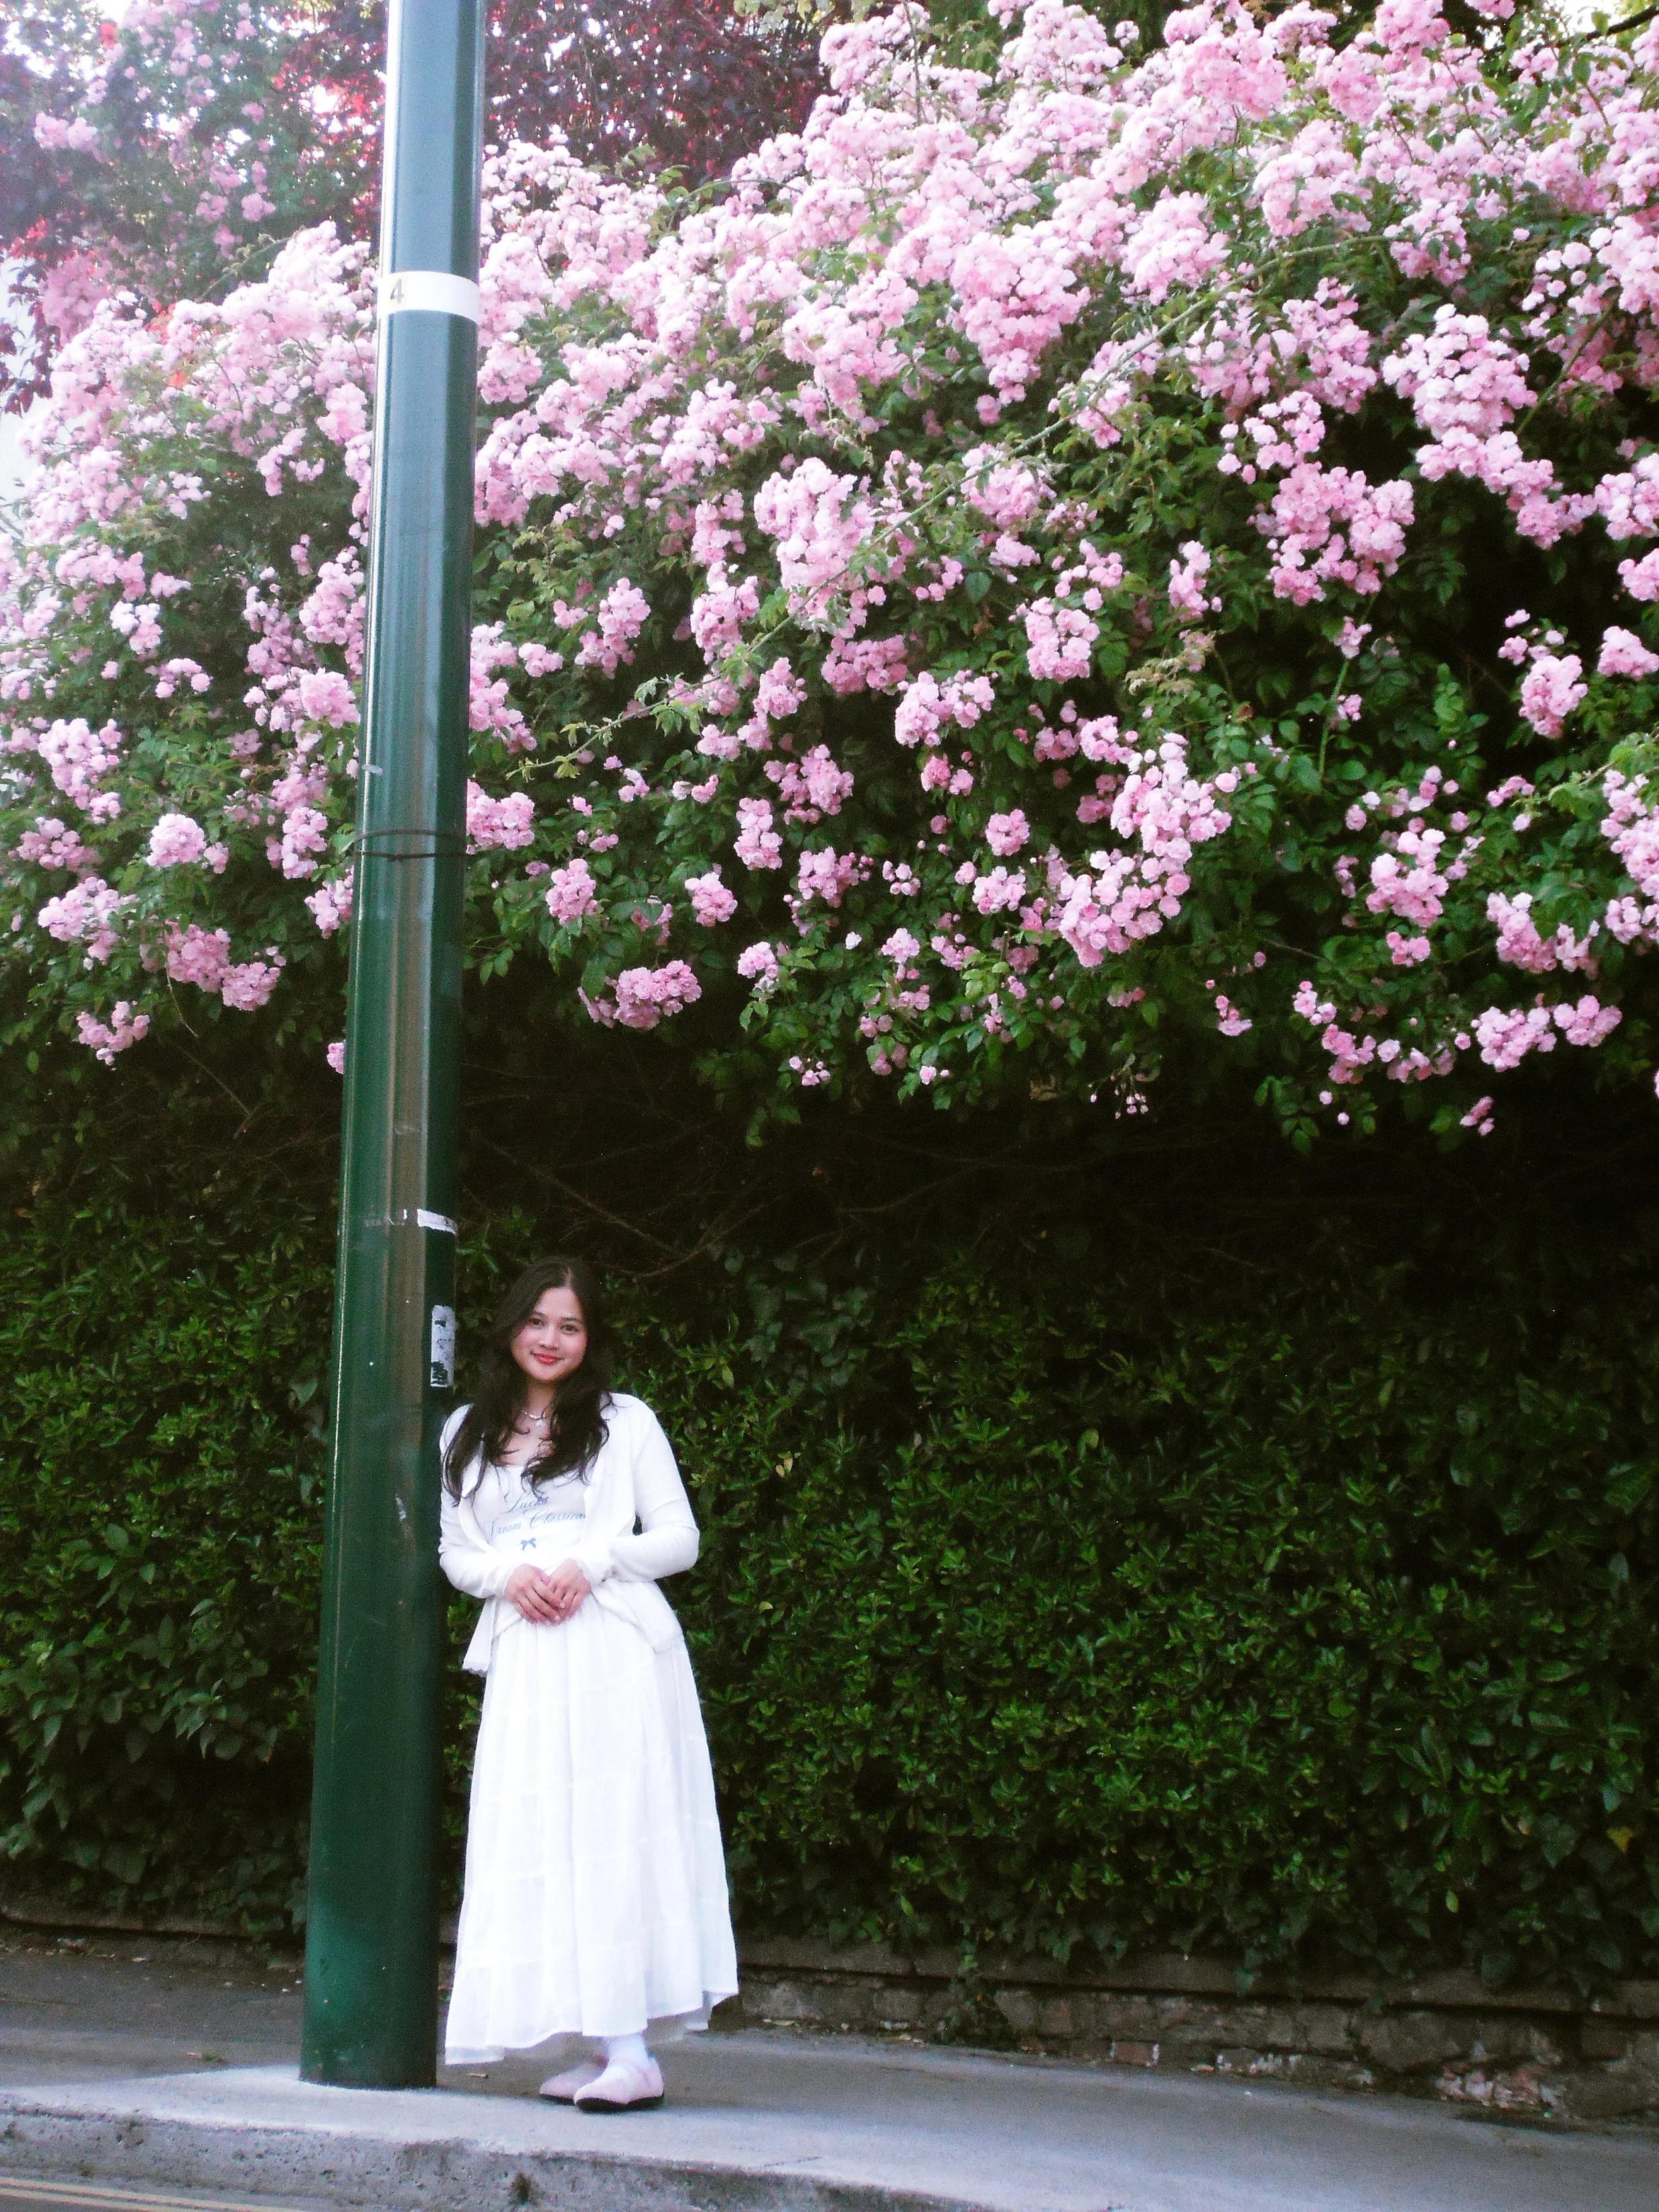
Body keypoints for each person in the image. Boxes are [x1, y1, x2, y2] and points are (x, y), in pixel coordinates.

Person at [437, 1254, 737, 2111]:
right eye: (538, 1321)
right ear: (511, 1328)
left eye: (570, 1326)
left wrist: (593, 1560)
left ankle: (632, 2050)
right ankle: (588, 2039)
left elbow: (679, 1540)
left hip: (614, 1649)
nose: (551, 1339)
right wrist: (508, 1579)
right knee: (540, 1834)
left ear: (590, 1339)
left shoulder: (626, 1422)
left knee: (612, 1832)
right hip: (530, 1656)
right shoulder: (464, 1431)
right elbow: (457, 1551)